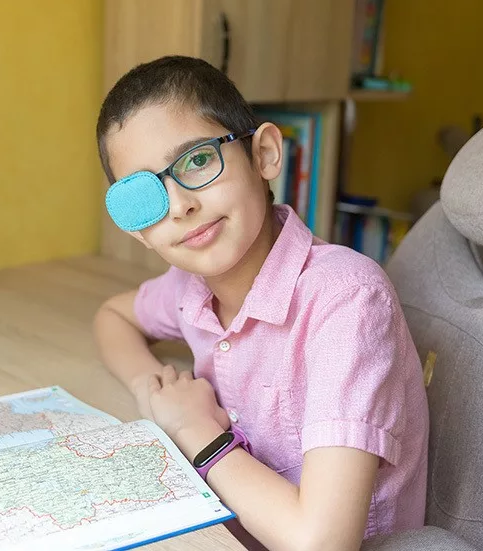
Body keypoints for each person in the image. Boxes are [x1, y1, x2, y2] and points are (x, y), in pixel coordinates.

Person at [92, 55, 429, 551]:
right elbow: (112, 317)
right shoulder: (191, 288)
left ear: (265, 154)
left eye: (199, 160)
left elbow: (323, 543)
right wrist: (154, 389)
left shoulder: (347, 300)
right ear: (140, 232)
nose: (182, 206)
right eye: (145, 198)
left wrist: (194, 430)